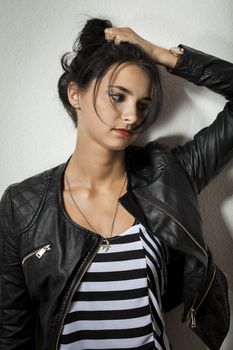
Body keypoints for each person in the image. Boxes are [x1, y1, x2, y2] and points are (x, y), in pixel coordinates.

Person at [0, 17, 232, 350]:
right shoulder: (22, 205)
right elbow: (12, 336)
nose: (133, 116)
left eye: (143, 105)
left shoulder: (170, 176)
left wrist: (162, 55)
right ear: (75, 93)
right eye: (118, 96)